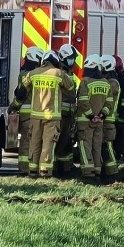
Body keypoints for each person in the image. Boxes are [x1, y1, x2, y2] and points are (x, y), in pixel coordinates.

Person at [18, 50, 75, 178]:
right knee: (48, 143)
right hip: (52, 116)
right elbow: (71, 89)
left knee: (34, 142)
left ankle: (32, 171)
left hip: (35, 116)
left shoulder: (33, 73)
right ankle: (45, 171)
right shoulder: (59, 73)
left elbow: (21, 91)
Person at [7, 46, 44, 175]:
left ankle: (24, 168)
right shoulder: (39, 75)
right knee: (34, 142)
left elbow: (20, 95)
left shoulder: (24, 75)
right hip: (37, 115)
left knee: (26, 142)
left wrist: (13, 107)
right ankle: (30, 168)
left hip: (26, 116)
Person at [76, 54, 110, 182]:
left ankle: (87, 173)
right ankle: (97, 172)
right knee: (97, 147)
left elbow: (83, 101)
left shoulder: (85, 82)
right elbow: (109, 103)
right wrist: (101, 116)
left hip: (85, 122)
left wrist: (91, 116)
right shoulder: (106, 83)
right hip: (99, 122)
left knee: (86, 147)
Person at [55, 44, 80, 176]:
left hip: (69, 113)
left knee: (66, 141)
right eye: (70, 58)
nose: (73, 61)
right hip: (60, 113)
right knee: (58, 141)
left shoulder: (69, 72)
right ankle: (58, 168)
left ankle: (66, 167)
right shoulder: (59, 71)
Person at [99, 54, 121, 184]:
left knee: (107, 147)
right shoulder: (111, 81)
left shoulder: (112, 83)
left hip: (108, 120)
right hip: (106, 119)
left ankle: (112, 173)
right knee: (104, 146)